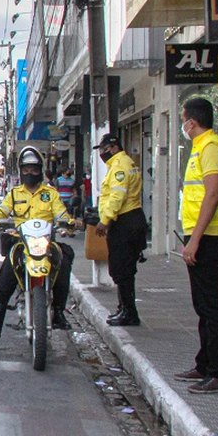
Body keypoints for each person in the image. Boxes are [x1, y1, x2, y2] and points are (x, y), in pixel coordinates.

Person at [0, 146, 75, 353]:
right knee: (3, 287)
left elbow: (61, 215)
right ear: (20, 170)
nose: (30, 173)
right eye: (26, 169)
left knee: (65, 259)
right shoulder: (14, 195)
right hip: (21, 245)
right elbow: (0, 213)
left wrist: (68, 223)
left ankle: (58, 311)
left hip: (46, 244)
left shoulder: (50, 194)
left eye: (34, 169)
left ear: (40, 169)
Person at [174, 97, 218, 394]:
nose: (183, 125)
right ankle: (204, 363)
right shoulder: (200, 148)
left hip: (210, 236)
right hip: (200, 235)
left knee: (211, 305)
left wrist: (195, 239)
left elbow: (212, 194)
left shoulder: (211, 148)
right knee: (202, 303)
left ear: (192, 122)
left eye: (183, 119)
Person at [93, 134, 147, 327]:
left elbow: (117, 196)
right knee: (122, 268)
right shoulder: (124, 163)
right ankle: (124, 307)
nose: (102, 153)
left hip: (125, 221)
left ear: (114, 147)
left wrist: (104, 220)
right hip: (129, 220)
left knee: (122, 269)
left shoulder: (120, 167)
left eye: (104, 149)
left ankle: (129, 312)